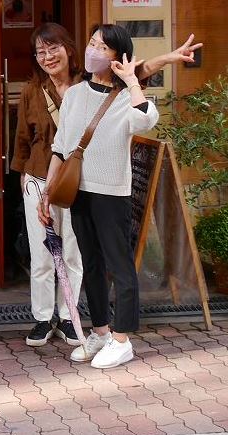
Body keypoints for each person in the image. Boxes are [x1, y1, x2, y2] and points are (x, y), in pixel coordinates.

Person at [14, 24, 202, 350]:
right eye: (40, 52)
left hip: (95, 187)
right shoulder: (41, 90)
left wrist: (167, 60)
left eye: (53, 48)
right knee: (52, 254)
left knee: (83, 256)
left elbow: (139, 85)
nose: (47, 57)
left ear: (68, 49)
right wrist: (30, 185)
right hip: (50, 180)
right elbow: (35, 142)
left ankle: (80, 321)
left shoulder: (101, 85)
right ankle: (58, 321)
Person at [42, 24, 161, 369]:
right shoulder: (75, 94)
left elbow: (147, 121)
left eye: (102, 47)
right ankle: (100, 331)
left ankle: (122, 340)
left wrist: (132, 80)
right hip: (78, 191)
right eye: (92, 43)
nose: (92, 51)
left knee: (119, 266)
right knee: (91, 264)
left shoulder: (126, 98)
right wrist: (47, 192)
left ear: (116, 57)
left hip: (111, 194)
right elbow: (61, 147)